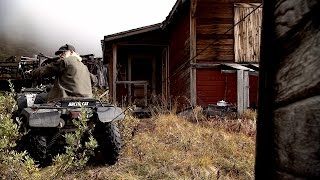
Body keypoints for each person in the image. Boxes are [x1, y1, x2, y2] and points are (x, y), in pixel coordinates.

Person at [29, 44, 97, 103]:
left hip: (65, 99)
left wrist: (31, 73)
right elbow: (94, 80)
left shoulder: (64, 61)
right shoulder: (83, 66)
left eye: (63, 52)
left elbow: (45, 70)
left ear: (71, 52)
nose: (60, 55)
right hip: (85, 99)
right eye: (59, 53)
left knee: (37, 98)